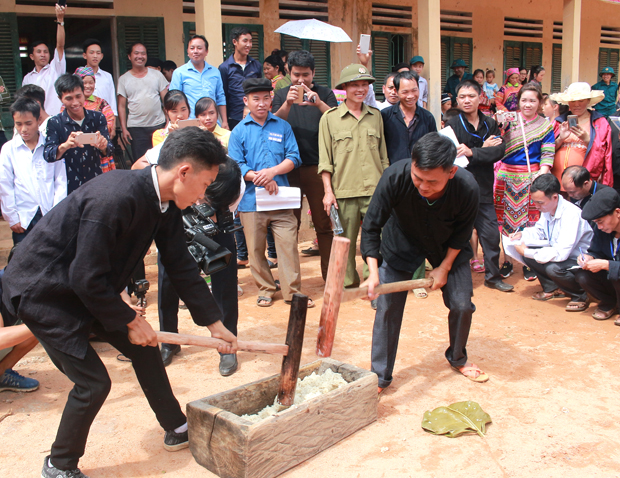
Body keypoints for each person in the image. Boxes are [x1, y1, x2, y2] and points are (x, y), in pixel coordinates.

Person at [2, 127, 237, 478]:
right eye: (205, 184)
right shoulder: (115, 197)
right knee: (94, 383)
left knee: (145, 348)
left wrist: (216, 324)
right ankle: (59, 463)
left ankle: (176, 427)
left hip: (88, 287)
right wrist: (129, 318)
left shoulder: (166, 204)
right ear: (184, 172)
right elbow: (84, 276)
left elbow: (180, 264)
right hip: (45, 293)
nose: (205, 194)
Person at [361, 133, 488, 390]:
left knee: (462, 305)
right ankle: (380, 376)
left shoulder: (467, 187)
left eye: (432, 182)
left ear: (451, 172)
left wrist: (444, 267)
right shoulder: (395, 176)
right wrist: (373, 273)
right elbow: (372, 226)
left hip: (447, 245)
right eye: (417, 177)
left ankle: (457, 357)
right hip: (402, 242)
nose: (422, 186)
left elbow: (463, 233)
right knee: (386, 309)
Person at [133, 125, 241, 375]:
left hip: (218, 227)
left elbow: (220, 212)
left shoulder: (233, 183)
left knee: (224, 281)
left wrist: (210, 218)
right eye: (202, 191)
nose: (201, 196)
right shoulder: (175, 150)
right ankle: (170, 342)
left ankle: (227, 345)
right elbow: (137, 167)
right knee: (168, 281)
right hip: (177, 220)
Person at [228, 78, 311, 308]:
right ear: (246, 101)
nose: (262, 103)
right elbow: (236, 165)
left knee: (288, 247)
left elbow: (294, 157)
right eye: (256, 99)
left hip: (281, 200)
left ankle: (292, 292)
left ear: (271, 99)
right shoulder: (238, 132)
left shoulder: (283, 127)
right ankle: (265, 288)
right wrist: (260, 178)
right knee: (255, 250)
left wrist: (272, 172)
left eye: (266, 98)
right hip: (251, 202)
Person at [318, 64, 389, 293]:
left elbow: (383, 156)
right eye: (355, 85)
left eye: (364, 84)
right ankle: (348, 283)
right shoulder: (329, 119)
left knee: (376, 238)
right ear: (344, 88)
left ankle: (373, 280)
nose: (360, 89)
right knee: (344, 241)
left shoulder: (375, 117)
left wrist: (387, 189)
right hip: (344, 191)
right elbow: (325, 161)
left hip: (375, 190)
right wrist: (328, 192)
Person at [272, 50, 338, 281]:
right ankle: (288, 278)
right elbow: (273, 123)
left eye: (306, 75)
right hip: (288, 170)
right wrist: (288, 103)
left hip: (318, 168)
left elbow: (337, 120)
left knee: (323, 224)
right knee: (289, 225)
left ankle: (330, 276)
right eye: (296, 74)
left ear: (314, 73)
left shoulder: (325, 93)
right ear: (288, 72)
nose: (301, 80)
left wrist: (318, 103)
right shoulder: (280, 94)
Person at [447, 79, 513, 292]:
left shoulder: (490, 123)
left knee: (491, 236)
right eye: (462, 97)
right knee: (458, 237)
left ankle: (493, 277)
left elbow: (498, 152)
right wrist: (482, 149)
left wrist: (472, 151)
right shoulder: (452, 125)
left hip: (484, 189)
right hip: (459, 190)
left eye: (471, 96)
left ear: (480, 97)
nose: (467, 101)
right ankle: (459, 280)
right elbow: (454, 156)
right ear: (457, 100)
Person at [494, 84, 555, 280]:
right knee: (504, 222)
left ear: (540, 102)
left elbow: (547, 152)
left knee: (529, 221)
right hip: (505, 176)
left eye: (532, 101)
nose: (527, 104)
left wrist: (542, 173)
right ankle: (507, 261)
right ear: (518, 101)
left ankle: (528, 261)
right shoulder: (509, 119)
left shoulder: (545, 126)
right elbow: (496, 139)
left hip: (531, 177)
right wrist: (498, 125)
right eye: (524, 100)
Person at [511, 174, 592, 311]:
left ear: (555, 197)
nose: (536, 206)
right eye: (535, 202)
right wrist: (523, 235)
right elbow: (540, 230)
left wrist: (526, 251)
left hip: (577, 259)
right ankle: (552, 288)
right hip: (560, 252)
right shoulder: (548, 208)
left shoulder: (571, 214)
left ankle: (580, 295)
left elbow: (562, 254)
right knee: (529, 253)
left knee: (552, 267)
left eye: (540, 202)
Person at [0, 98, 66, 245]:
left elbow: (60, 181)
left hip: (49, 213)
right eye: (19, 124)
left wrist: (57, 213)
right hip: (23, 217)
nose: (23, 129)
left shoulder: (51, 147)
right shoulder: (8, 150)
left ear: (39, 121)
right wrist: (12, 216)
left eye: (28, 123)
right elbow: (5, 184)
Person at [44, 73, 113, 194]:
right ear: (60, 98)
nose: (75, 103)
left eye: (78, 96)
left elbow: (110, 149)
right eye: (69, 98)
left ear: (83, 94)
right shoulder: (55, 122)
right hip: (67, 185)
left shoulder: (98, 118)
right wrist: (65, 145)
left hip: (95, 180)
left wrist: (103, 146)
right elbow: (48, 154)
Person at [550, 82, 613, 187]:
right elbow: (547, 150)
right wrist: (561, 139)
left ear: (588, 101)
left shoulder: (600, 123)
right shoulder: (558, 122)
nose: (576, 104)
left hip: (583, 182)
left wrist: (588, 140)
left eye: (581, 100)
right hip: (556, 179)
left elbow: (606, 153)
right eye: (573, 101)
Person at [117, 42, 169, 161]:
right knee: (141, 161)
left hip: (159, 125)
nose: (140, 56)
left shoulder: (157, 75)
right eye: (136, 53)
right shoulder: (124, 79)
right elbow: (121, 106)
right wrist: (124, 129)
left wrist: (168, 121)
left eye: (143, 53)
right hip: (136, 128)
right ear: (129, 56)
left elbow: (166, 100)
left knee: (161, 160)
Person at [575, 188, 620, 322]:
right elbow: (596, 250)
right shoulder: (603, 230)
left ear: (617, 212)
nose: (599, 227)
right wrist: (590, 257)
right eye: (596, 223)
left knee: (615, 274)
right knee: (583, 275)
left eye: (601, 221)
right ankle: (610, 303)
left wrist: (607, 265)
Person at [382, 71, 436, 165]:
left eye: (414, 90)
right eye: (405, 92)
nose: (410, 96)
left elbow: (434, 146)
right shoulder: (385, 116)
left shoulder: (428, 117)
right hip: (393, 173)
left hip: (421, 172)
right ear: (396, 91)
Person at [169, 35, 227, 122]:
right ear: (187, 51)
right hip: (190, 122)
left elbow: (220, 98)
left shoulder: (215, 72)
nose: (195, 51)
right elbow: (173, 101)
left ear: (206, 51)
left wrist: (225, 121)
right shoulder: (179, 73)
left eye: (199, 48)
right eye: (192, 48)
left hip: (212, 123)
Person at [69, 67, 116, 172]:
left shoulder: (101, 102)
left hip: (99, 149)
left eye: (91, 82)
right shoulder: (70, 104)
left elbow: (109, 121)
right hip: (76, 151)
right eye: (84, 82)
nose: (88, 86)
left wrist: (94, 135)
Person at [22, 3, 66, 116]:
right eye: (39, 52)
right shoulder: (27, 78)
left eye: (46, 52)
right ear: (31, 56)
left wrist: (60, 20)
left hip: (56, 120)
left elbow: (60, 46)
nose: (43, 55)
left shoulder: (55, 68)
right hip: (35, 122)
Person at [219, 27, 262, 129]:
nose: (249, 45)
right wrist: (225, 120)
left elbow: (260, 91)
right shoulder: (224, 67)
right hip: (234, 118)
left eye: (251, 41)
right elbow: (223, 95)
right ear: (235, 42)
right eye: (245, 41)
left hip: (254, 116)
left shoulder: (256, 65)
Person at [82, 39, 118, 123]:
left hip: (104, 120)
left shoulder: (107, 76)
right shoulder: (77, 76)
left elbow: (112, 101)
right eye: (91, 53)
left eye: (98, 53)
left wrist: (113, 125)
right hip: (83, 120)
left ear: (102, 56)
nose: (95, 56)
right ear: (84, 55)